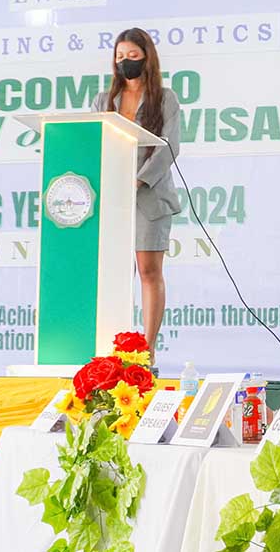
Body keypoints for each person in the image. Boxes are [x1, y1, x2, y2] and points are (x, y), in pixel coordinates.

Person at [91, 27, 181, 360]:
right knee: (115, 274)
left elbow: (170, 147)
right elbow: (92, 141)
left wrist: (139, 180)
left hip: (150, 197)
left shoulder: (165, 98)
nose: (125, 62)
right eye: (119, 56)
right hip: (111, 199)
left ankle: (148, 348)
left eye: (132, 55)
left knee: (148, 271)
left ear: (146, 58)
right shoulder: (103, 100)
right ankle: (113, 348)